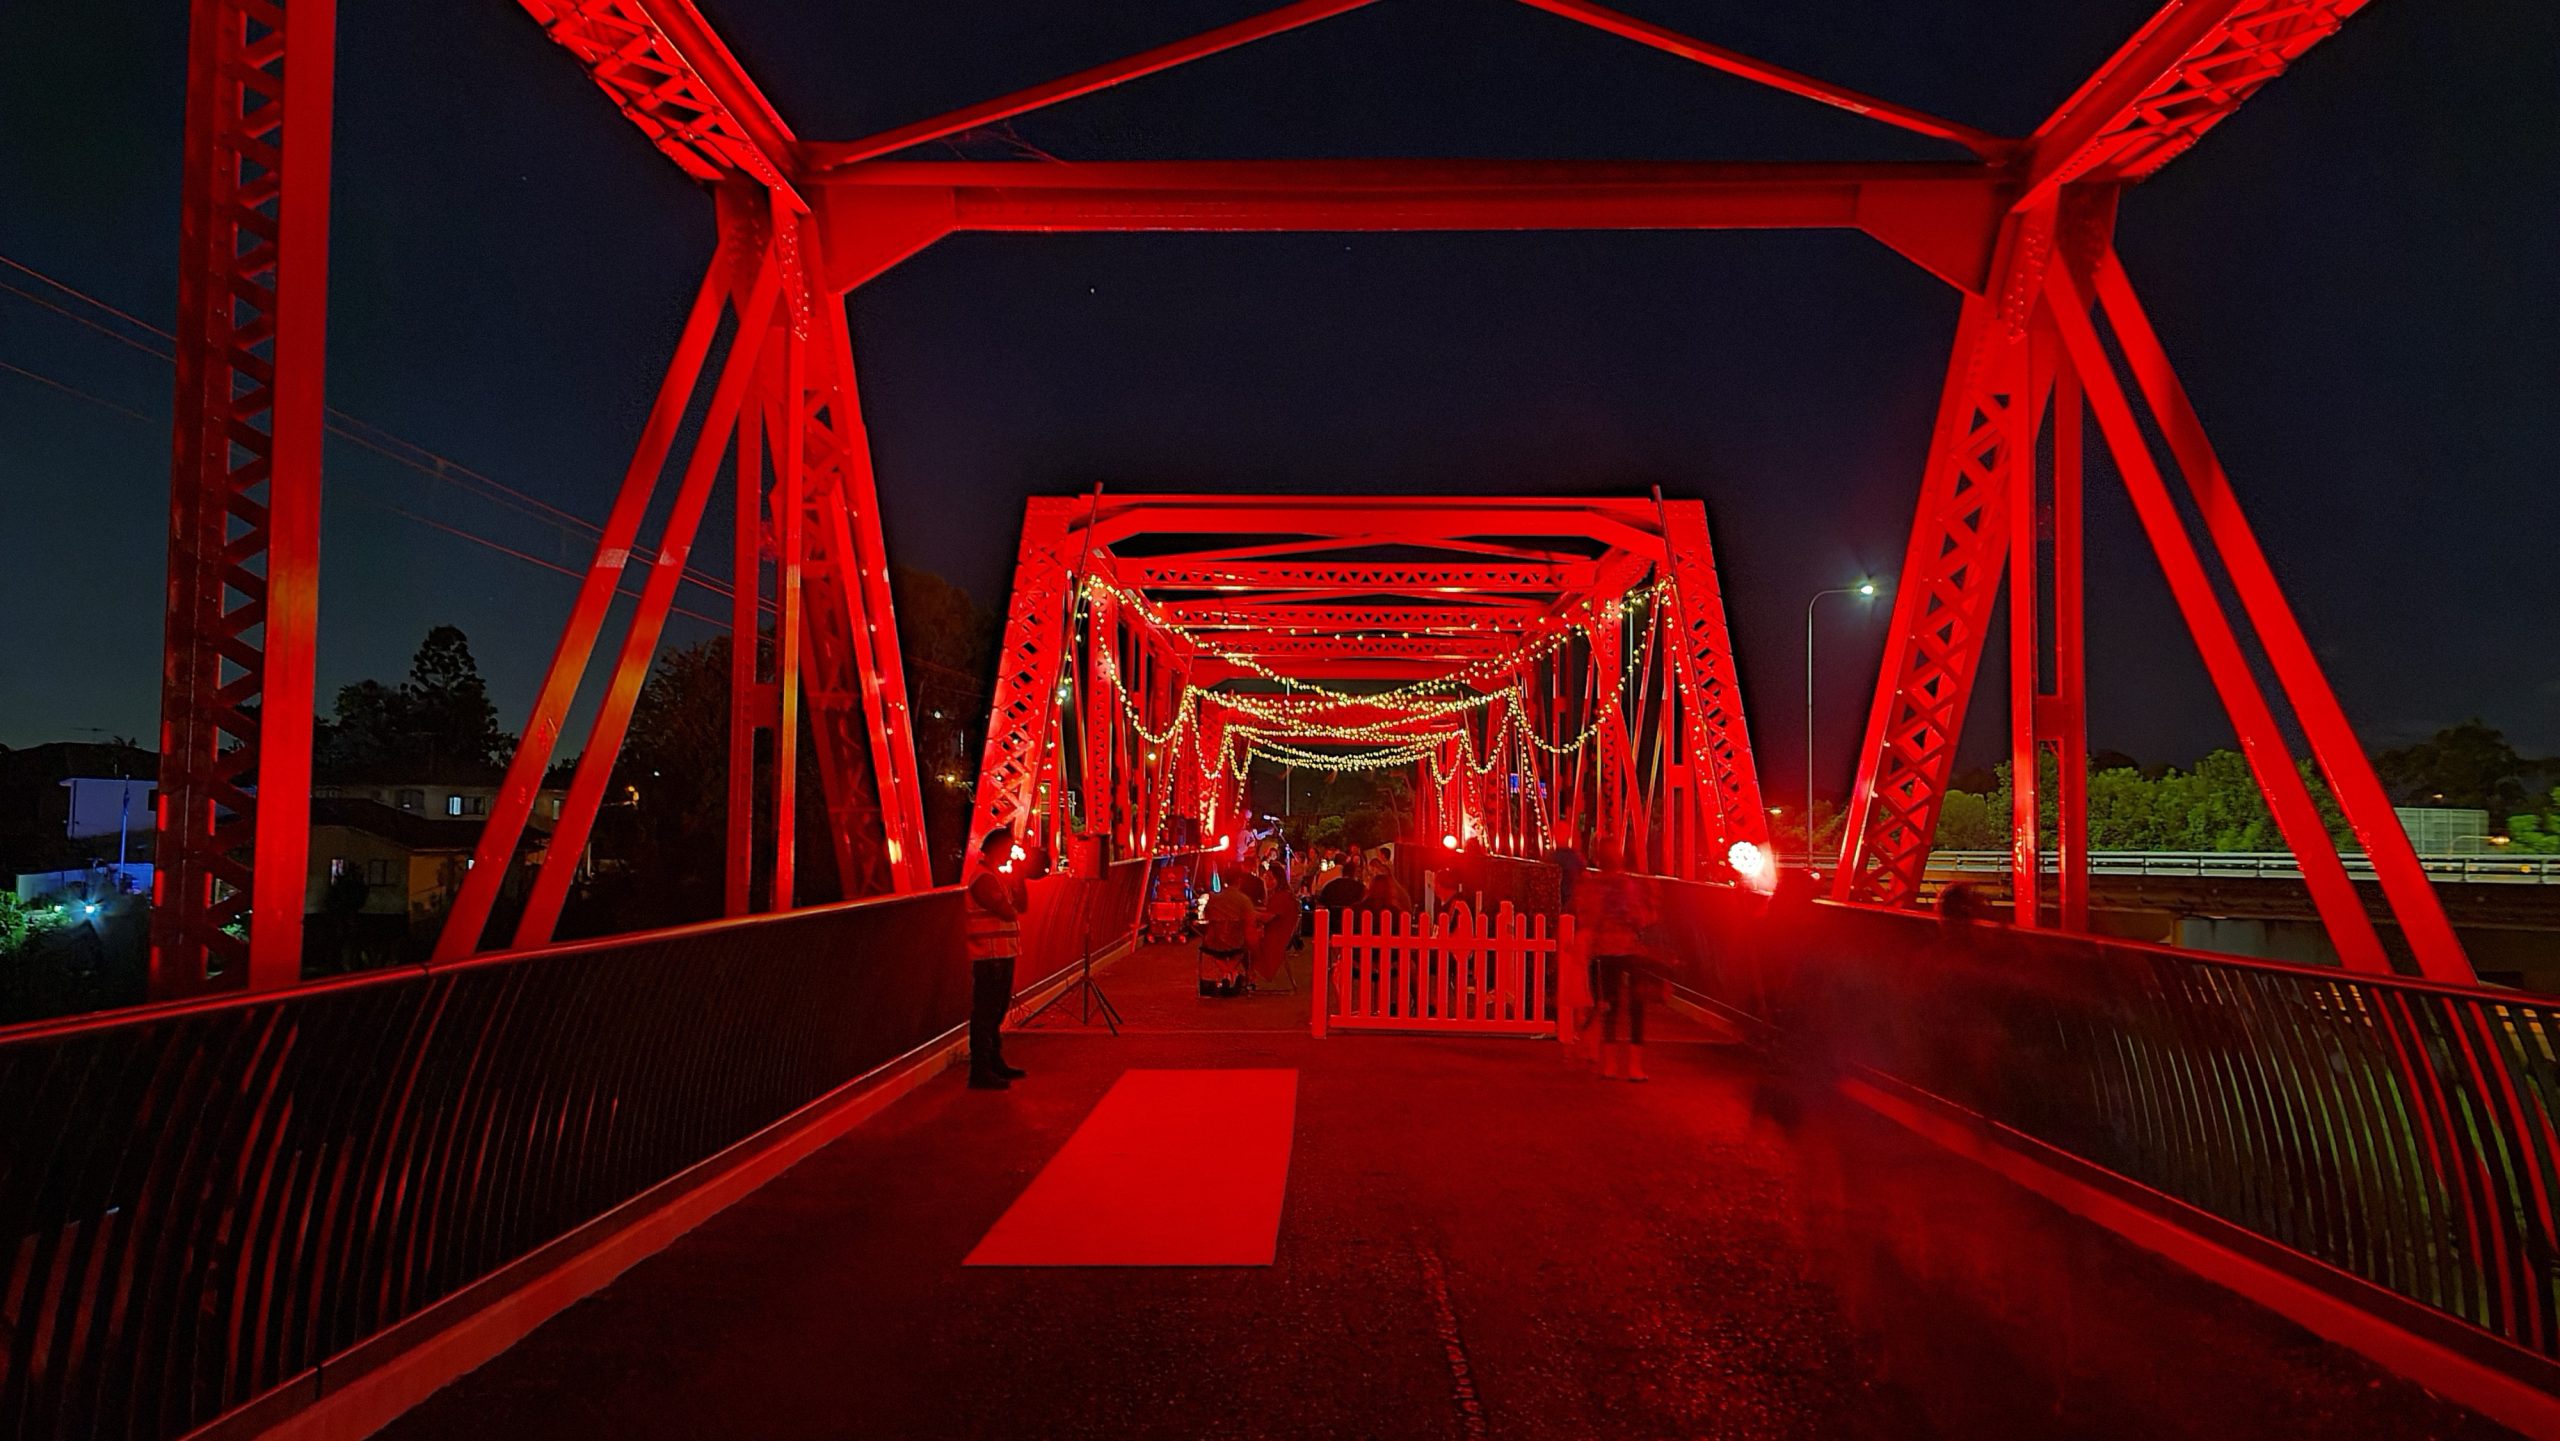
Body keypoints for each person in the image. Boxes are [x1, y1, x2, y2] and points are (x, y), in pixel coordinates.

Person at [1573, 836, 1659, 1082]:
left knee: (1608, 1005)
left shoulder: (1592, 886)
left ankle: (1608, 1064)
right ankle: (1635, 1066)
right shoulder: (1630, 885)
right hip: (1631, 949)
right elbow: (1642, 917)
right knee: (1636, 1007)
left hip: (1603, 950)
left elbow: (1587, 917)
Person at [963, 827, 1031, 1091]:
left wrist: (1019, 879)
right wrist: (1012, 890)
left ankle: (994, 1062)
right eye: (1008, 847)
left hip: (1002, 952)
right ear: (996, 848)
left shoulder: (997, 876)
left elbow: (1021, 907)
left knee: (997, 1011)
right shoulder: (982, 878)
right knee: (985, 1013)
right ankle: (980, 1070)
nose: (1010, 853)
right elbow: (1006, 911)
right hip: (988, 954)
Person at [1200, 865, 1257, 996]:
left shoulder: (1214, 899)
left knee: (1214, 951)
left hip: (1213, 943)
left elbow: (1206, 916)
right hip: (1236, 943)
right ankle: (1232, 972)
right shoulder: (1244, 900)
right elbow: (1251, 921)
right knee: (1246, 944)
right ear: (1239, 881)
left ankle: (1227, 974)